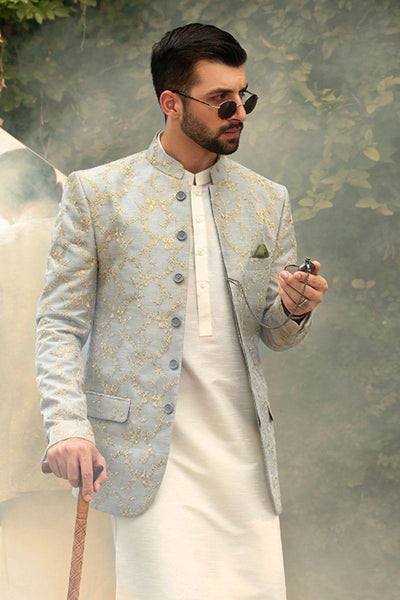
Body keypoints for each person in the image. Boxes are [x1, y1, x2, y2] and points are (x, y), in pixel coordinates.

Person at [36, 23, 328, 600]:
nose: (238, 112)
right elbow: (59, 324)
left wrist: (295, 308)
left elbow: (275, 334)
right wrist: (67, 426)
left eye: (244, 96)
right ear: (171, 103)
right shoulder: (99, 194)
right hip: (146, 455)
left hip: (243, 457)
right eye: (222, 100)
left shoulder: (267, 199)